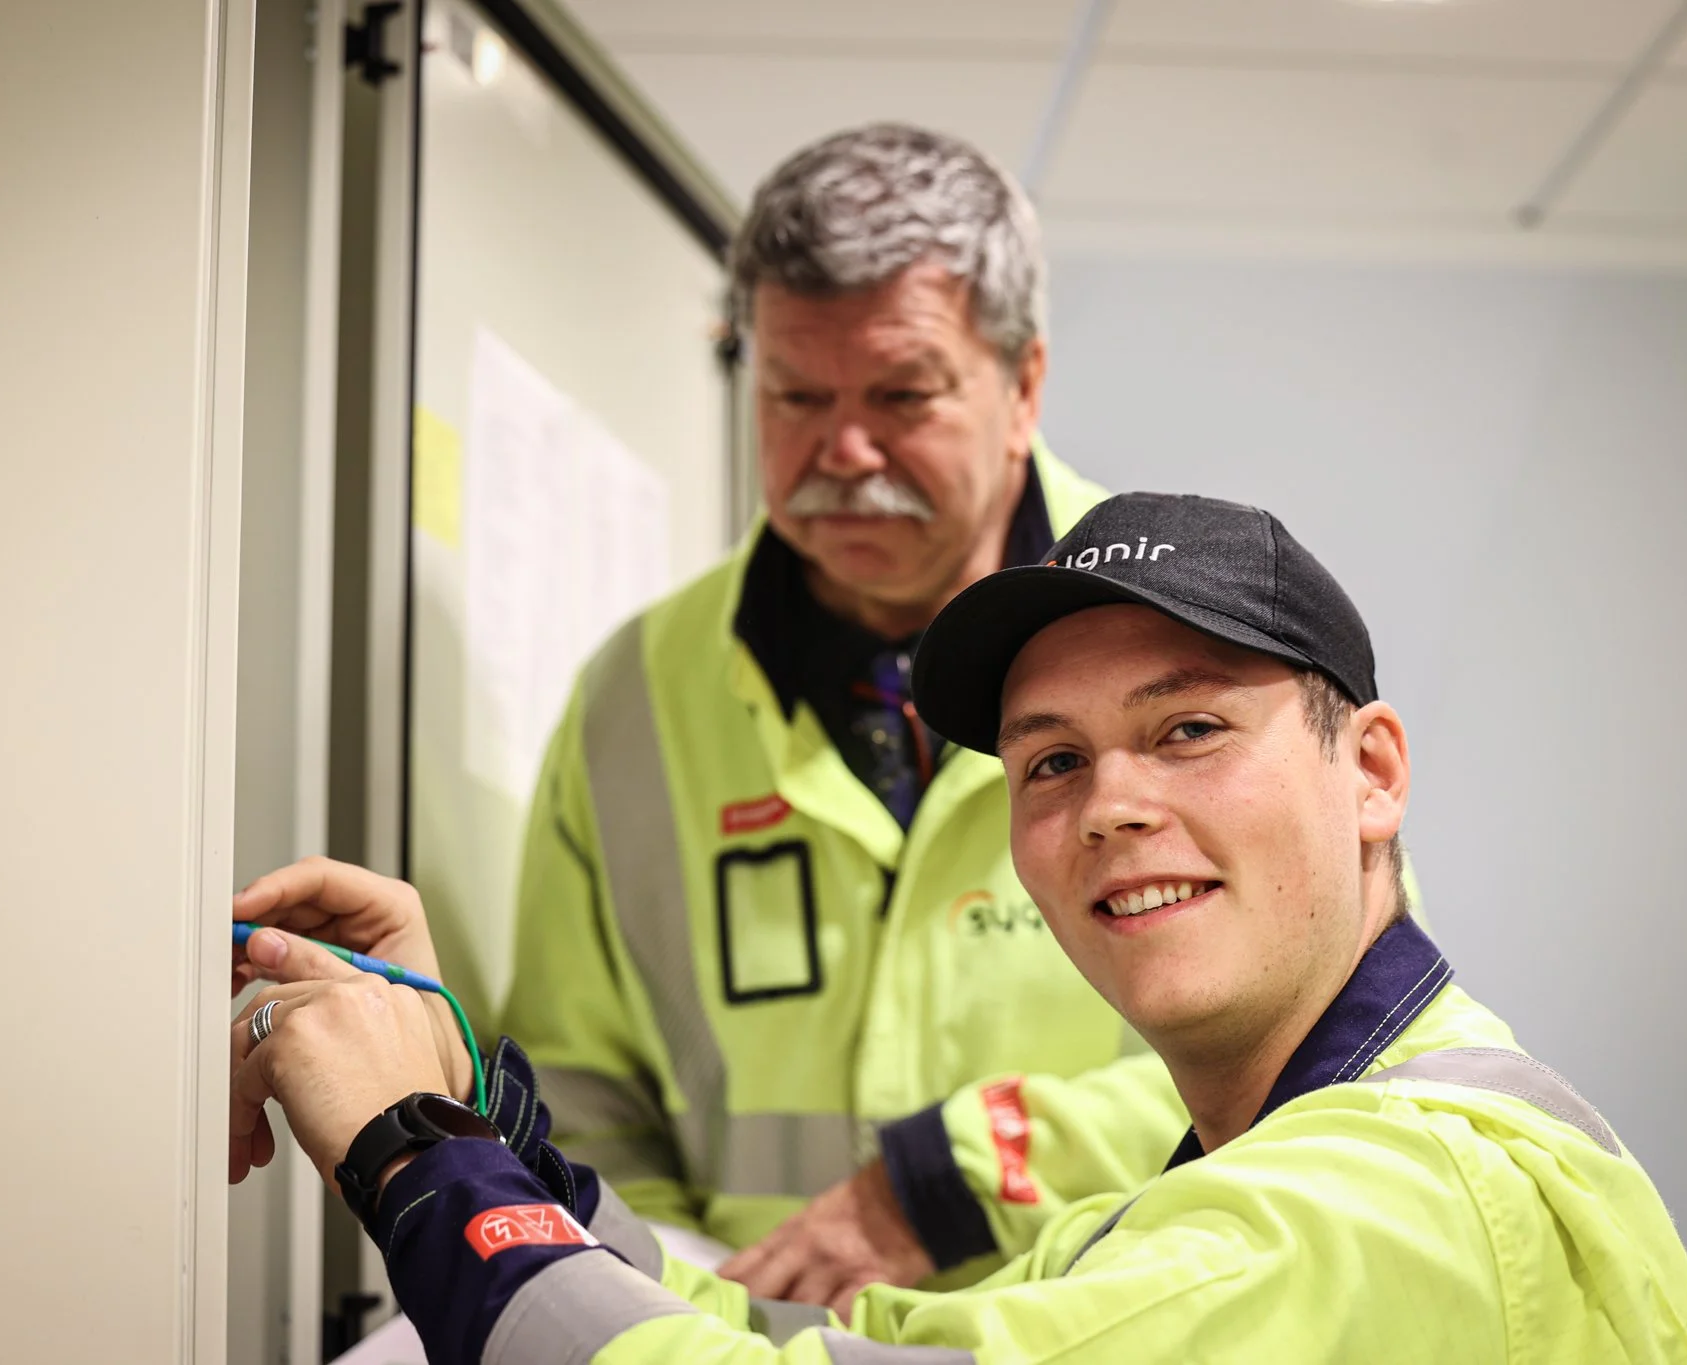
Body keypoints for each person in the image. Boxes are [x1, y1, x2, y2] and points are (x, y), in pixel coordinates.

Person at [230, 491, 1687, 1363]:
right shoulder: (1212, 1199)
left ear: (1373, 774)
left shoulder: (1379, 1205)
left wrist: (413, 1158)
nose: (1111, 805)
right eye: (1050, 761)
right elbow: (814, 1345)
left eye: (1189, 729)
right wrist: (471, 1111)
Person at [491, 118, 1189, 1283]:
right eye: (795, 395)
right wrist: (662, 1307)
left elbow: (1323, 1041)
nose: (844, 451)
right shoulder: (633, 698)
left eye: (902, 395)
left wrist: (951, 1185)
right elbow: (575, 1088)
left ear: (1022, 386)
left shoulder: (1197, 640)